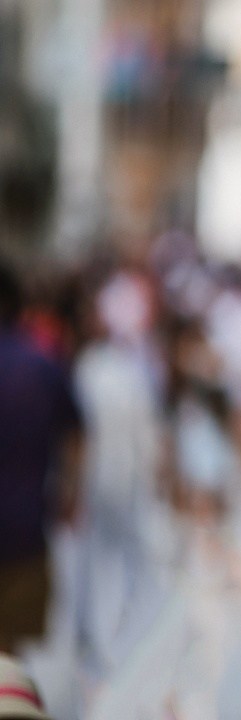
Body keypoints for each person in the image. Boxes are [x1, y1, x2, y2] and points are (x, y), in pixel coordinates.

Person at [0, 260, 83, 657]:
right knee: (9, 653)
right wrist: (70, 491)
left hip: (23, 528)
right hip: (26, 532)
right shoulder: (42, 365)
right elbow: (76, 432)